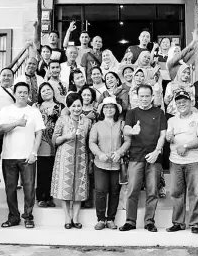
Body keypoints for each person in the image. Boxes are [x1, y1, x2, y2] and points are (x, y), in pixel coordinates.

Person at [0, 82, 45, 229]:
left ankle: (28, 217)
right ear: (15, 93)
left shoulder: (34, 111)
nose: (22, 94)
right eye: (20, 92)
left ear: (28, 94)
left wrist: (34, 153)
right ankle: (13, 217)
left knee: (29, 189)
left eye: (25, 92)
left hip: (27, 156)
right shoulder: (5, 110)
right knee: (10, 189)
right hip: (9, 156)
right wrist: (17, 123)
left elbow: (39, 133)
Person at [119, 84, 166, 232]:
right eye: (141, 96)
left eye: (147, 96)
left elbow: (163, 134)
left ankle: (149, 222)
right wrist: (132, 130)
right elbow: (126, 129)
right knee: (132, 190)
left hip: (154, 157)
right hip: (135, 157)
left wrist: (157, 151)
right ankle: (130, 221)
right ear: (137, 97)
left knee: (152, 191)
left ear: (152, 97)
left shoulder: (159, 113)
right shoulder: (132, 113)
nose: (144, 99)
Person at [165, 91, 198, 234]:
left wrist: (186, 146)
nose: (181, 104)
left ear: (191, 102)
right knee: (176, 193)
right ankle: (178, 222)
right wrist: (168, 137)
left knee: (194, 193)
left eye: (184, 102)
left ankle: (195, 223)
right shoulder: (172, 120)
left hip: (194, 160)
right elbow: (169, 138)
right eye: (178, 102)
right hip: (175, 160)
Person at [51, 93, 92, 229]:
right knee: (65, 186)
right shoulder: (62, 120)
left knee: (79, 187)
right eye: (73, 106)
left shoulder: (87, 121)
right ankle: (67, 217)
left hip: (81, 157)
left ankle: (75, 217)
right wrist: (67, 136)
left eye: (79, 105)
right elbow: (54, 140)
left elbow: (89, 141)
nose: (76, 108)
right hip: (64, 157)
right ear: (68, 107)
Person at [89, 97, 131, 230]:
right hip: (101, 163)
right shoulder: (97, 125)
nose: (109, 109)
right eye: (106, 107)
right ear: (102, 110)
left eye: (112, 107)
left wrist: (119, 152)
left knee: (114, 192)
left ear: (116, 109)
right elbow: (92, 142)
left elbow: (127, 141)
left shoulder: (122, 124)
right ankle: (101, 219)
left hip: (117, 163)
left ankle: (111, 219)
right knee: (101, 191)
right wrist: (100, 154)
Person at [34, 82, 64, 208]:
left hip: (56, 142)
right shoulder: (36, 106)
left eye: (48, 89)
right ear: (40, 94)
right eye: (43, 91)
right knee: (42, 171)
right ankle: (41, 197)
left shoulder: (61, 106)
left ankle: (49, 197)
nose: (46, 92)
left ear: (53, 90)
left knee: (52, 171)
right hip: (41, 142)